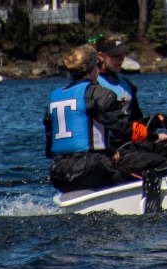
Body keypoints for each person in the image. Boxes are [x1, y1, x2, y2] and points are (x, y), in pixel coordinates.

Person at [94, 34, 167, 176]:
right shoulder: (94, 86)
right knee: (160, 161)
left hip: (132, 144)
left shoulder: (127, 85)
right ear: (100, 56)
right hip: (113, 149)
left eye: (123, 54)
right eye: (115, 55)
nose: (121, 58)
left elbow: (136, 123)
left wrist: (155, 121)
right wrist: (154, 137)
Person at [43, 45, 132, 192]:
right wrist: (153, 133)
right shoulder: (96, 92)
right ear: (93, 68)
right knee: (152, 164)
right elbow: (123, 129)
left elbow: (49, 148)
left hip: (58, 173)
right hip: (91, 168)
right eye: (97, 65)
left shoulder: (54, 96)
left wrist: (109, 150)